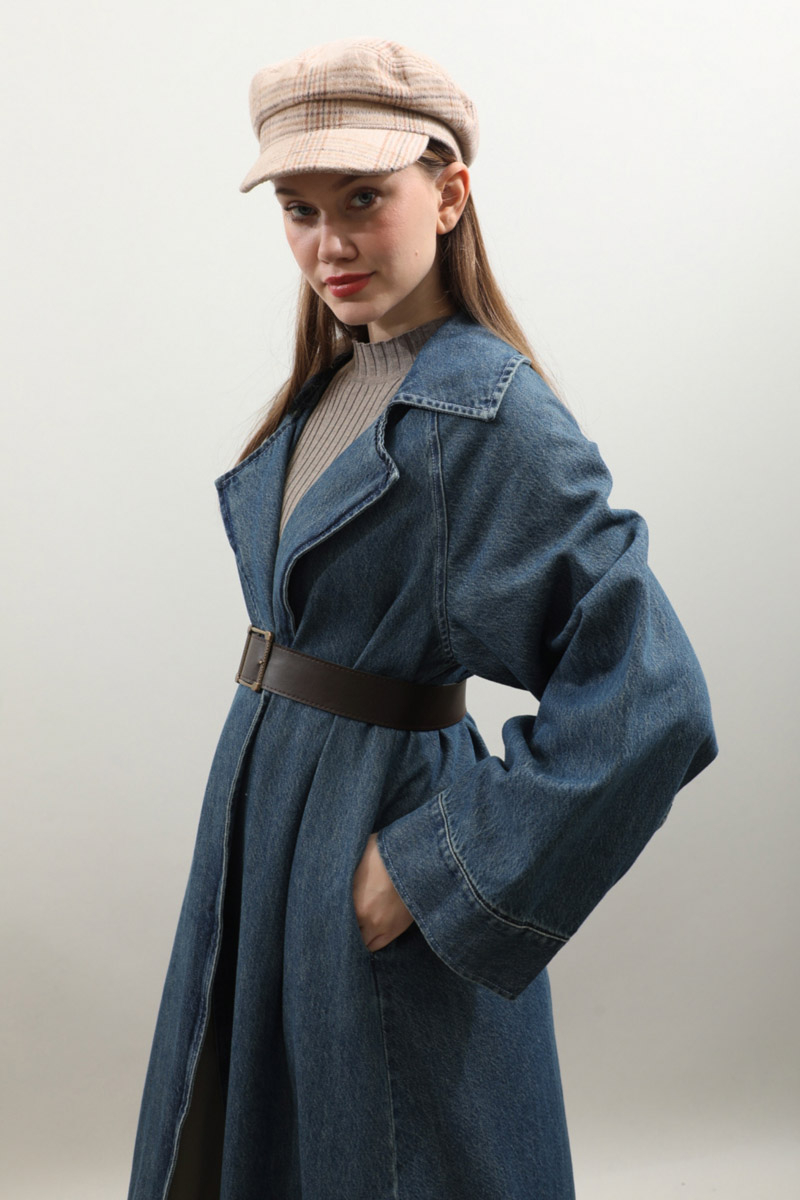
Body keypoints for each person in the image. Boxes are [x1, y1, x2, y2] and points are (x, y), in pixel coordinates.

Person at [126, 37, 718, 1200]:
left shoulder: (490, 416)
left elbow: (650, 694)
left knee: (387, 1154)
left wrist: (433, 867)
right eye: (299, 210)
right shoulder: (337, 379)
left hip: (367, 821)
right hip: (268, 818)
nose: (328, 243)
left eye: (362, 198)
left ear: (448, 194)